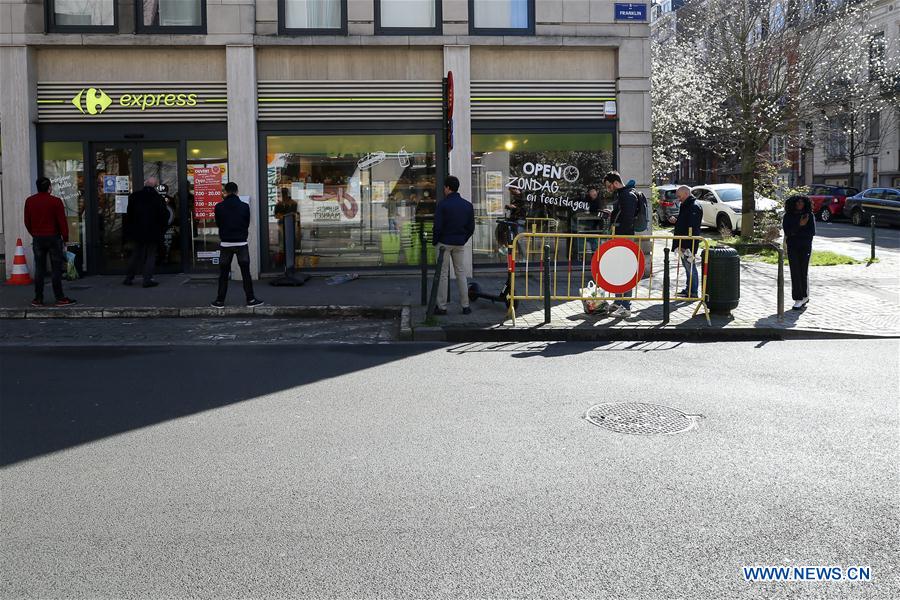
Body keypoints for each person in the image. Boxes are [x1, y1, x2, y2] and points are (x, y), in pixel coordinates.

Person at [23, 177, 76, 306]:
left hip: (38, 238)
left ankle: (38, 298)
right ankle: (59, 297)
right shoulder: (56, 201)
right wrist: (65, 238)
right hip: (53, 237)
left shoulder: (30, 201)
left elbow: (27, 221)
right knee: (56, 268)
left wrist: (34, 233)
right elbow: (62, 222)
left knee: (39, 269)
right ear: (49, 187)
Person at [211, 182, 264, 308]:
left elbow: (218, 223)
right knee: (246, 273)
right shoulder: (244, 206)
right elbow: (246, 223)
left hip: (225, 243)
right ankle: (250, 299)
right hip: (241, 243)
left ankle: (220, 301)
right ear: (237, 191)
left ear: (225, 191)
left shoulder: (219, 206)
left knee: (223, 273)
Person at [432, 175, 475, 315]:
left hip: (444, 243)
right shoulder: (467, 205)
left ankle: (442, 306)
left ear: (448, 188)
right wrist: (463, 239)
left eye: (445, 187)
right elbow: (471, 228)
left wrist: (435, 241)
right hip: (459, 243)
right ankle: (465, 305)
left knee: (443, 274)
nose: (444, 189)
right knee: (461, 273)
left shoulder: (442, 205)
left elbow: (437, 227)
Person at [603, 171, 638, 318]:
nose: (608, 189)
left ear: (615, 183)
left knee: (625, 272)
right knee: (618, 272)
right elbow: (623, 216)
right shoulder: (622, 195)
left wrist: (618, 238)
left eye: (608, 186)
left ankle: (626, 307)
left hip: (624, 239)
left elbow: (628, 220)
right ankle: (618, 302)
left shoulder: (627, 196)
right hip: (620, 238)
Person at [123, 177, 168, 287]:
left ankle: (129, 278)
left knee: (136, 253)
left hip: (137, 231)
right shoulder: (158, 198)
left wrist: (129, 230)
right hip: (153, 232)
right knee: (151, 255)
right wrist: (162, 230)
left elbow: (128, 215)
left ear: (145, 184)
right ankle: (147, 279)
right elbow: (164, 216)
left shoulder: (134, 196)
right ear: (155, 186)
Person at [782, 194, 815, 310]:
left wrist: (796, 232)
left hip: (805, 247)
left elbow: (811, 233)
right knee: (795, 271)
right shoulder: (788, 216)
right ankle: (798, 298)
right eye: (798, 202)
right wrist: (799, 225)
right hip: (792, 247)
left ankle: (805, 295)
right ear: (793, 203)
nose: (800, 204)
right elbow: (787, 231)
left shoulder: (809, 215)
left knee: (803, 271)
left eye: (802, 202)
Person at [669, 185, 703, 298]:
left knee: (690, 266)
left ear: (686, 194)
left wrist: (686, 246)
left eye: (679, 196)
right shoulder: (688, 205)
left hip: (688, 243)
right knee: (688, 266)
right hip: (684, 242)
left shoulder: (693, 206)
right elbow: (685, 222)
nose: (678, 198)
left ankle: (693, 291)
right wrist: (677, 220)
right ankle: (689, 289)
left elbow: (692, 228)